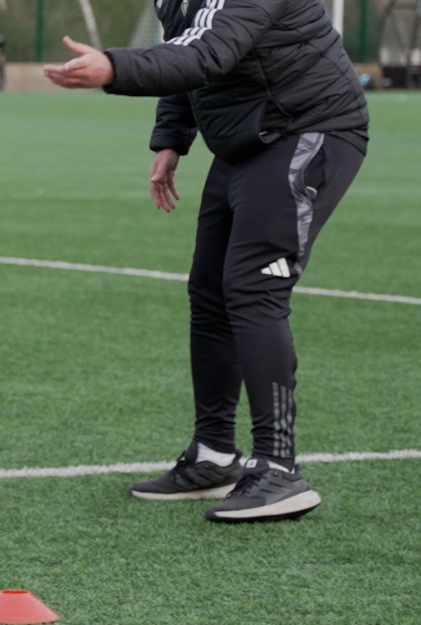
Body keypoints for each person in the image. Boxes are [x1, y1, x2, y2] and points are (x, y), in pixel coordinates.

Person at [42, 0, 368, 522]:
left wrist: (114, 67)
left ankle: (279, 469)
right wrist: (172, 139)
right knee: (210, 290)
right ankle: (214, 455)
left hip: (309, 127)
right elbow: (184, 47)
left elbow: (207, 53)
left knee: (253, 287)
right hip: (249, 136)